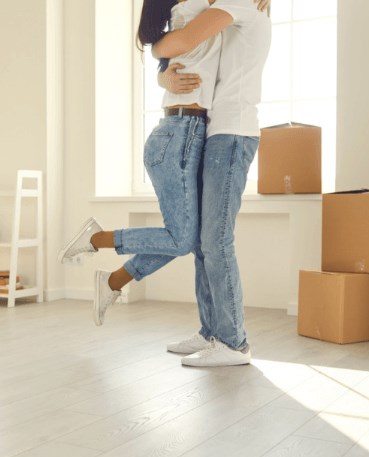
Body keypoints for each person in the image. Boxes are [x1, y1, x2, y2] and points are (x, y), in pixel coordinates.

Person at [58, 0, 224, 326]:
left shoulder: (192, 15)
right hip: (179, 136)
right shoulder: (192, 13)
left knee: (184, 237)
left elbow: (170, 48)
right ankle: (97, 241)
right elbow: (180, 42)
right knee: (182, 239)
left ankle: (113, 281)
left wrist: (161, 66)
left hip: (184, 136)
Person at [153, 0, 271, 367]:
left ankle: (234, 344)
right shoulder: (230, 8)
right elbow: (195, 54)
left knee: (216, 240)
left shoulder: (236, 3)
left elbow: (184, 39)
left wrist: (151, 45)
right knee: (205, 242)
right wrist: (163, 76)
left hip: (233, 133)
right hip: (218, 129)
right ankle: (210, 332)